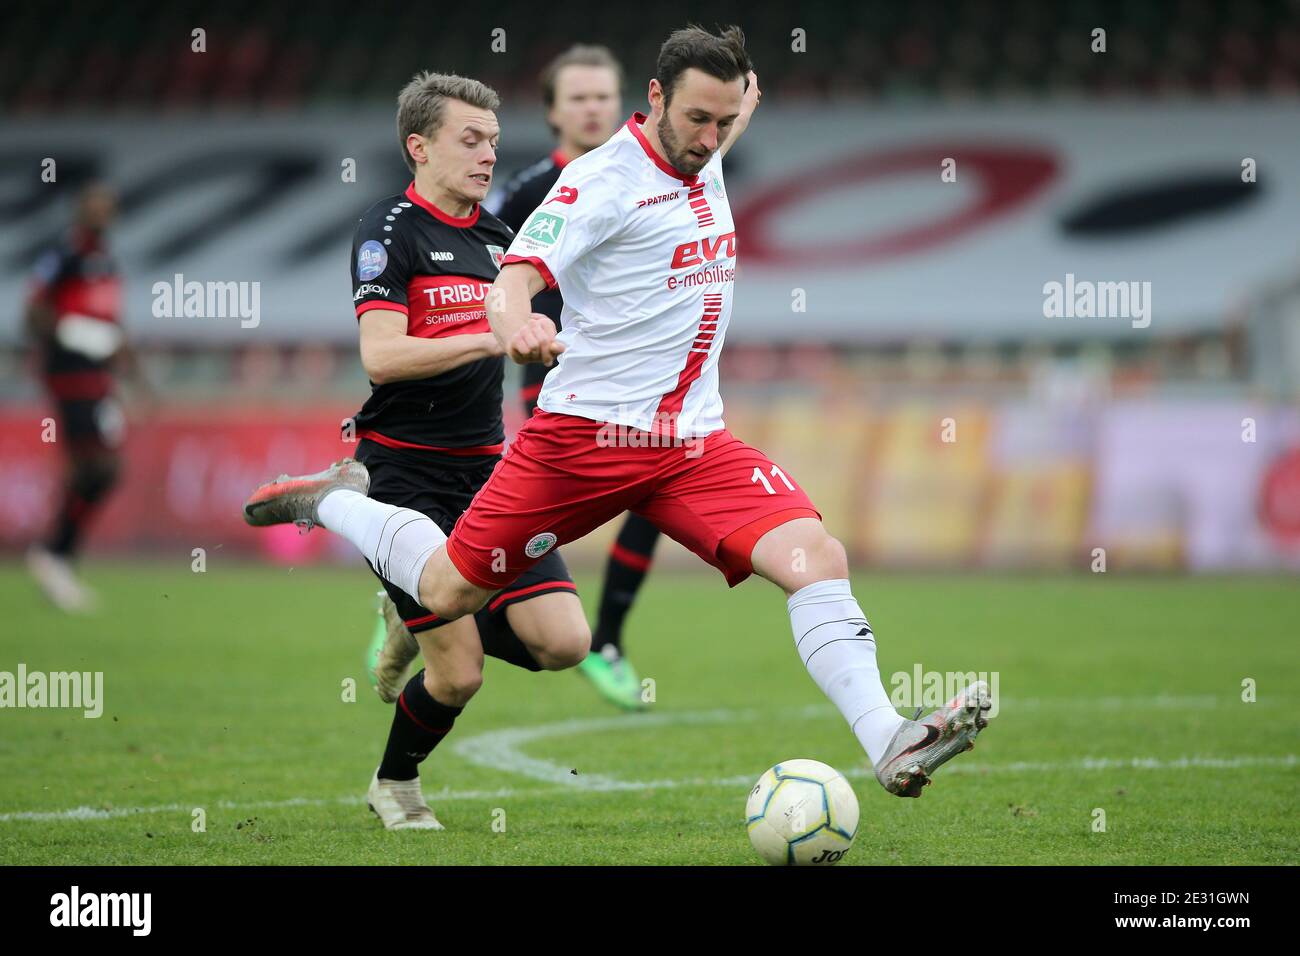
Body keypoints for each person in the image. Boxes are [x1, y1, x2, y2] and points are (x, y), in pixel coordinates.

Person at [245, 26, 990, 807]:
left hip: (694, 442)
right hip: (583, 441)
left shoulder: (713, 136)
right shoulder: (597, 184)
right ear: (656, 100)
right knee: (445, 590)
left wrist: (737, 105)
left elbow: (732, 106)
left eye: (727, 122)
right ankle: (335, 501)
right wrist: (517, 324)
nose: (712, 139)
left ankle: (887, 739)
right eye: (699, 119)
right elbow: (517, 276)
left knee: (815, 555)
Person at [340, 70, 592, 830]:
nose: (488, 157)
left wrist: (549, 344)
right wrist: (492, 335)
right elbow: (381, 358)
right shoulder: (388, 233)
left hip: (491, 471)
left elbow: (532, 325)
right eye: (470, 140)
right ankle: (395, 785)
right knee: (460, 675)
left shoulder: (497, 241)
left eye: (494, 142)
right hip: (401, 473)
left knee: (565, 642)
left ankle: (414, 615)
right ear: (419, 148)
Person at [488, 43, 655, 710]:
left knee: (655, 495)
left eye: (602, 97)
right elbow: (489, 277)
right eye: (577, 98)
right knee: (535, 512)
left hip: (636, 377)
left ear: (621, 104)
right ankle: (425, 595)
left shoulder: (643, 177)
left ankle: (607, 639)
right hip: (556, 378)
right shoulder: (527, 191)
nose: (592, 108)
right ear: (554, 111)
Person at [25, 183, 149, 613]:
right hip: (70, 376)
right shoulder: (65, 256)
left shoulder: (108, 262)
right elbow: (33, 313)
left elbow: (113, 328)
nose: (102, 213)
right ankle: (55, 555)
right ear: (80, 210)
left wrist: (138, 379)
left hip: (98, 380)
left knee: (101, 468)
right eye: (94, 205)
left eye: (108, 206)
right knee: (99, 465)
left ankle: (56, 555)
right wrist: (84, 336)